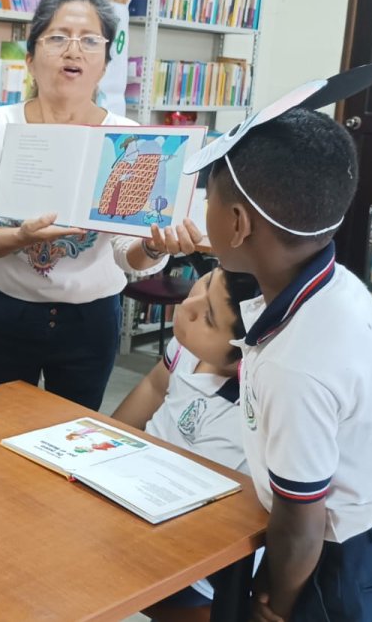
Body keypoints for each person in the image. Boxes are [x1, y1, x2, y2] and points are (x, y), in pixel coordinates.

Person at [197, 98, 372, 620]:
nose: (204, 214)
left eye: (209, 200)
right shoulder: (335, 285)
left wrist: (275, 604)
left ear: (238, 223)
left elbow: (301, 520)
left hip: (350, 567)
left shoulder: (298, 361)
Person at [0, 0, 200, 411]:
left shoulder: (130, 140)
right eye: (58, 38)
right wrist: (21, 237)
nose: (74, 51)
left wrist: (152, 247)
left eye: (90, 41)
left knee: (75, 438)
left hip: (91, 318)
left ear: (104, 63)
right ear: (30, 58)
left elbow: (128, 256)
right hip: (7, 314)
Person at [112, 264, 260, 622]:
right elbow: (155, 386)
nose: (187, 306)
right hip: (136, 499)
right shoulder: (187, 348)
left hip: (195, 558)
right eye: (204, 284)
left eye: (207, 317)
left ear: (245, 349)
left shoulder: (257, 405)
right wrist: (105, 441)